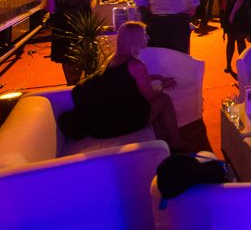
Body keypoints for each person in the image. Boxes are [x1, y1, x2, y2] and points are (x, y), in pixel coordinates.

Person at [65, 21, 181, 149]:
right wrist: (164, 85)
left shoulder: (113, 59)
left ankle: (161, 144)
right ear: (136, 40)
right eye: (144, 35)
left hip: (109, 118)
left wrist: (158, 77)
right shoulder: (136, 65)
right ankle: (176, 146)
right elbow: (150, 96)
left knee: (153, 106)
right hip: (121, 121)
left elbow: (126, 79)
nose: (147, 37)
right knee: (164, 99)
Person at [42, 0, 97, 85]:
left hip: (62, 28)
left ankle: (71, 83)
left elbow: (50, 9)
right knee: (82, 54)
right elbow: (90, 9)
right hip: (81, 28)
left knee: (66, 57)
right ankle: (83, 82)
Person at [220, 0, 251, 75]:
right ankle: (228, 64)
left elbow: (240, 0)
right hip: (229, 11)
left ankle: (242, 66)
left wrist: (232, 14)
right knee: (230, 40)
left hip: (241, 13)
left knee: (240, 40)